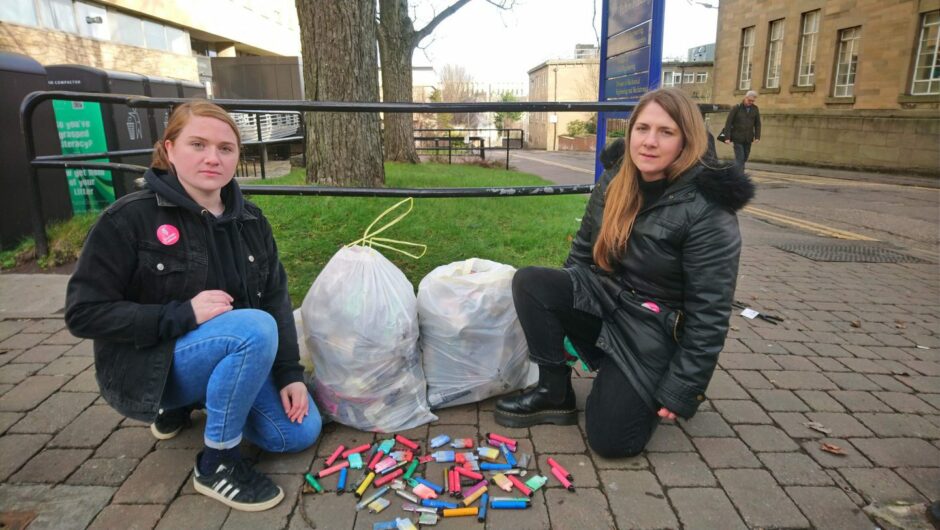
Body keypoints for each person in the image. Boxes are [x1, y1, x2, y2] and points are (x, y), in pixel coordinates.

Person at [65, 101, 321, 512]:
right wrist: (181, 314)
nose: (212, 158)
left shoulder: (252, 221)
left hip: (228, 349)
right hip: (154, 367)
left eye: (225, 148)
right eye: (197, 144)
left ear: (238, 155)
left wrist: (290, 374)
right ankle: (217, 460)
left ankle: (206, 396)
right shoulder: (128, 219)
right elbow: (82, 313)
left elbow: (276, 298)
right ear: (169, 149)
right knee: (252, 328)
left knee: (296, 435)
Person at [495, 88, 754, 458]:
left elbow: (710, 314)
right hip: (607, 298)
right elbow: (582, 255)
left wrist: (683, 388)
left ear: (686, 140)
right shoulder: (617, 177)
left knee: (612, 442)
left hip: (653, 327)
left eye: (666, 132)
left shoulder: (708, 209)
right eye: (642, 128)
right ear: (629, 131)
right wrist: (566, 313)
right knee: (532, 282)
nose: (649, 142)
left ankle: (636, 377)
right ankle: (554, 393)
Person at [721, 90, 761, 168]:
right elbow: (728, 123)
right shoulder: (736, 108)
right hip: (737, 138)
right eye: (749, 100)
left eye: (753, 101)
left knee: (745, 157)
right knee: (740, 158)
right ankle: (740, 175)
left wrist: (757, 137)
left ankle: (734, 170)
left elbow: (757, 124)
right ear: (745, 98)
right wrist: (727, 138)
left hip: (748, 138)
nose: (751, 102)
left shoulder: (755, 109)